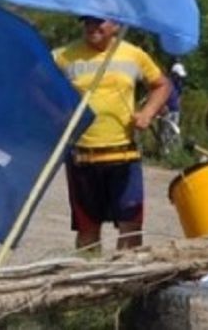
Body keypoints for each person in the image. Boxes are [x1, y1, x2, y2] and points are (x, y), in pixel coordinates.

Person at [53, 15, 171, 253]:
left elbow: (162, 85)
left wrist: (147, 112)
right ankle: (89, 282)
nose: (92, 27)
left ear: (116, 25)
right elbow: (35, 83)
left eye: (99, 22)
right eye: (87, 22)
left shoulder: (133, 54)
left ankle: (124, 283)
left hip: (123, 154)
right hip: (82, 156)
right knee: (88, 229)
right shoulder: (63, 56)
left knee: (131, 225)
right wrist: (54, 114)